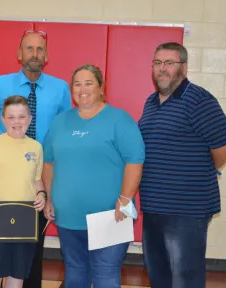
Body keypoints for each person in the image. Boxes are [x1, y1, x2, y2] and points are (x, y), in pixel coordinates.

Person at [0, 29, 72, 288]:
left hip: (38, 178)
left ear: (47, 56)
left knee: (31, 251)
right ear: (19, 54)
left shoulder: (61, 89)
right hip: (4, 183)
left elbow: (66, 130)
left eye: (40, 49)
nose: (34, 54)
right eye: (29, 48)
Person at [138, 42, 226, 288]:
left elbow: (224, 145)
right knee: (159, 276)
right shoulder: (151, 103)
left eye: (169, 63)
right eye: (157, 63)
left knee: (185, 279)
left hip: (187, 211)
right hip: (153, 208)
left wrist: (197, 172)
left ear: (184, 67)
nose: (162, 69)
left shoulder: (198, 100)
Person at [43, 63, 145, 288]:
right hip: (68, 216)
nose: (82, 89)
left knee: (105, 275)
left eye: (89, 83)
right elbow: (48, 163)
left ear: (101, 87)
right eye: (77, 84)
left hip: (110, 215)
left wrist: (125, 199)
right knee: (75, 272)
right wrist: (50, 197)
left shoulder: (120, 120)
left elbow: (134, 161)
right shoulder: (60, 123)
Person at [0, 95, 47, 288]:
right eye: (11, 117)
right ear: (3, 120)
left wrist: (41, 195)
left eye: (21, 116)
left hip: (25, 223)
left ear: (29, 119)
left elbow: (37, 179)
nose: (16, 122)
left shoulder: (36, 148)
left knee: (17, 276)